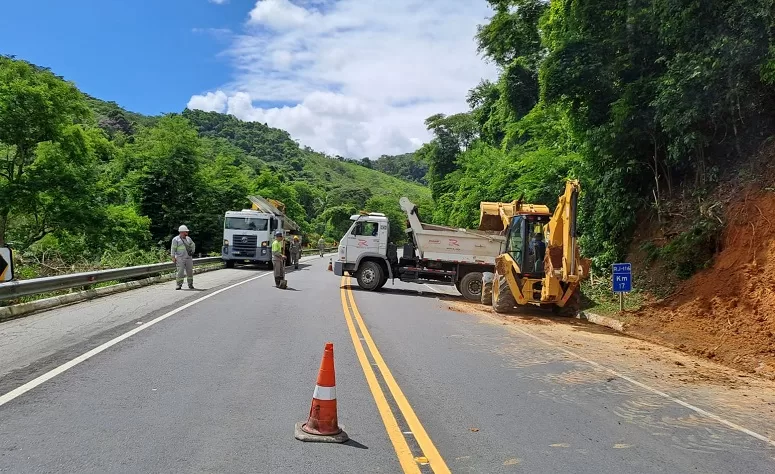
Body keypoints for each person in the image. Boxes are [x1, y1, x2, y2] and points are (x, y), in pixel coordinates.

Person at [171, 225, 196, 290]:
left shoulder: (188, 239)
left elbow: (193, 245)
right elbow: (173, 249)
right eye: (186, 232)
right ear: (181, 232)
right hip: (180, 258)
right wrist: (173, 257)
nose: (187, 233)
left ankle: (190, 284)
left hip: (188, 258)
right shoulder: (175, 239)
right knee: (180, 272)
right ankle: (179, 285)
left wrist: (192, 251)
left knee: (190, 271)